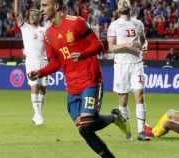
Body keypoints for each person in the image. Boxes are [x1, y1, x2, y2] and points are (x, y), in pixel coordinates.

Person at [28, 0, 130, 157]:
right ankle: (115, 118)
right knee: (84, 129)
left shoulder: (77, 23)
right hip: (72, 87)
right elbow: (56, 62)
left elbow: (99, 46)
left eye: (44, 5)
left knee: (87, 125)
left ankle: (115, 119)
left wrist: (83, 54)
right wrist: (40, 73)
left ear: (55, 6)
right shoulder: (48, 35)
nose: (41, 10)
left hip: (90, 80)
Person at [107, 0, 150, 141]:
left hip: (136, 63)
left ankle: (141, 132)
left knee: (140, 94)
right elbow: (111, 48)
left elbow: (143, 40)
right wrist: (127, 44)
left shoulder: (138, 23)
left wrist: (143, 45)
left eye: (126, 1)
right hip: (121, 65)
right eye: (120, 3)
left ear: (130, 6)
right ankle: (128, 132)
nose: (124, 3)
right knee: (123, 100)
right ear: (118, 8)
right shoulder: (114, 25)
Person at [14, 0, 50, 125]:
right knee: (34, 86)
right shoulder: (25, 27)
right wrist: (16, 2)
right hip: (32, 61)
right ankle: (38, 115)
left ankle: (38, 114)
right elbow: (16, 13)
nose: (34, 16)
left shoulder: (44, 29)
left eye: (36, 14)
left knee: (43, 88)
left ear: (39, 17)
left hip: (44, 61)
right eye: (32, 15)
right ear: (29, 17)